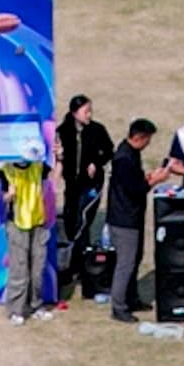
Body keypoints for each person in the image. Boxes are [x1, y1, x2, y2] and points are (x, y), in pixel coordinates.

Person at [101, 118, 157, 321]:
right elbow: (135, 189)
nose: (148, 143)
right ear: (139, 137)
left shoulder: (130, 153)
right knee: (125, 264)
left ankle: (131, 298)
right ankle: (119, 306)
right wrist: (153, 181)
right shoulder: (124, 158)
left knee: (134, 260)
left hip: (132, 217)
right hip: (124, 220)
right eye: (148, 139)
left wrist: (146, 179)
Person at [53, 96, 115, 278]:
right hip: (72, 185)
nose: (89, 115)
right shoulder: (63, 131)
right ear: (74, 113)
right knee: (71, 220)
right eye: (85, 111)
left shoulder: (97, 130)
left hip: (92, 184)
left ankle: (78, 263)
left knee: (83, 218)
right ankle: (77, 261)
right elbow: (57, 157)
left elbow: (109, 150)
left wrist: (96, 162)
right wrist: (60, 157)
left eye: (90, 111)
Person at [0, 138, 53, 321]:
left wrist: (59, 158)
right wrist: (10, 195)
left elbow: (54, 178)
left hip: (38, 222)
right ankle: (16, 311)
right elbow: (2, 198)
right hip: (17, 224)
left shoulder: (38, 166)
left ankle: (36, 306)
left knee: (38, 269)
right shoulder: (6, 170)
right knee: (19, 270)